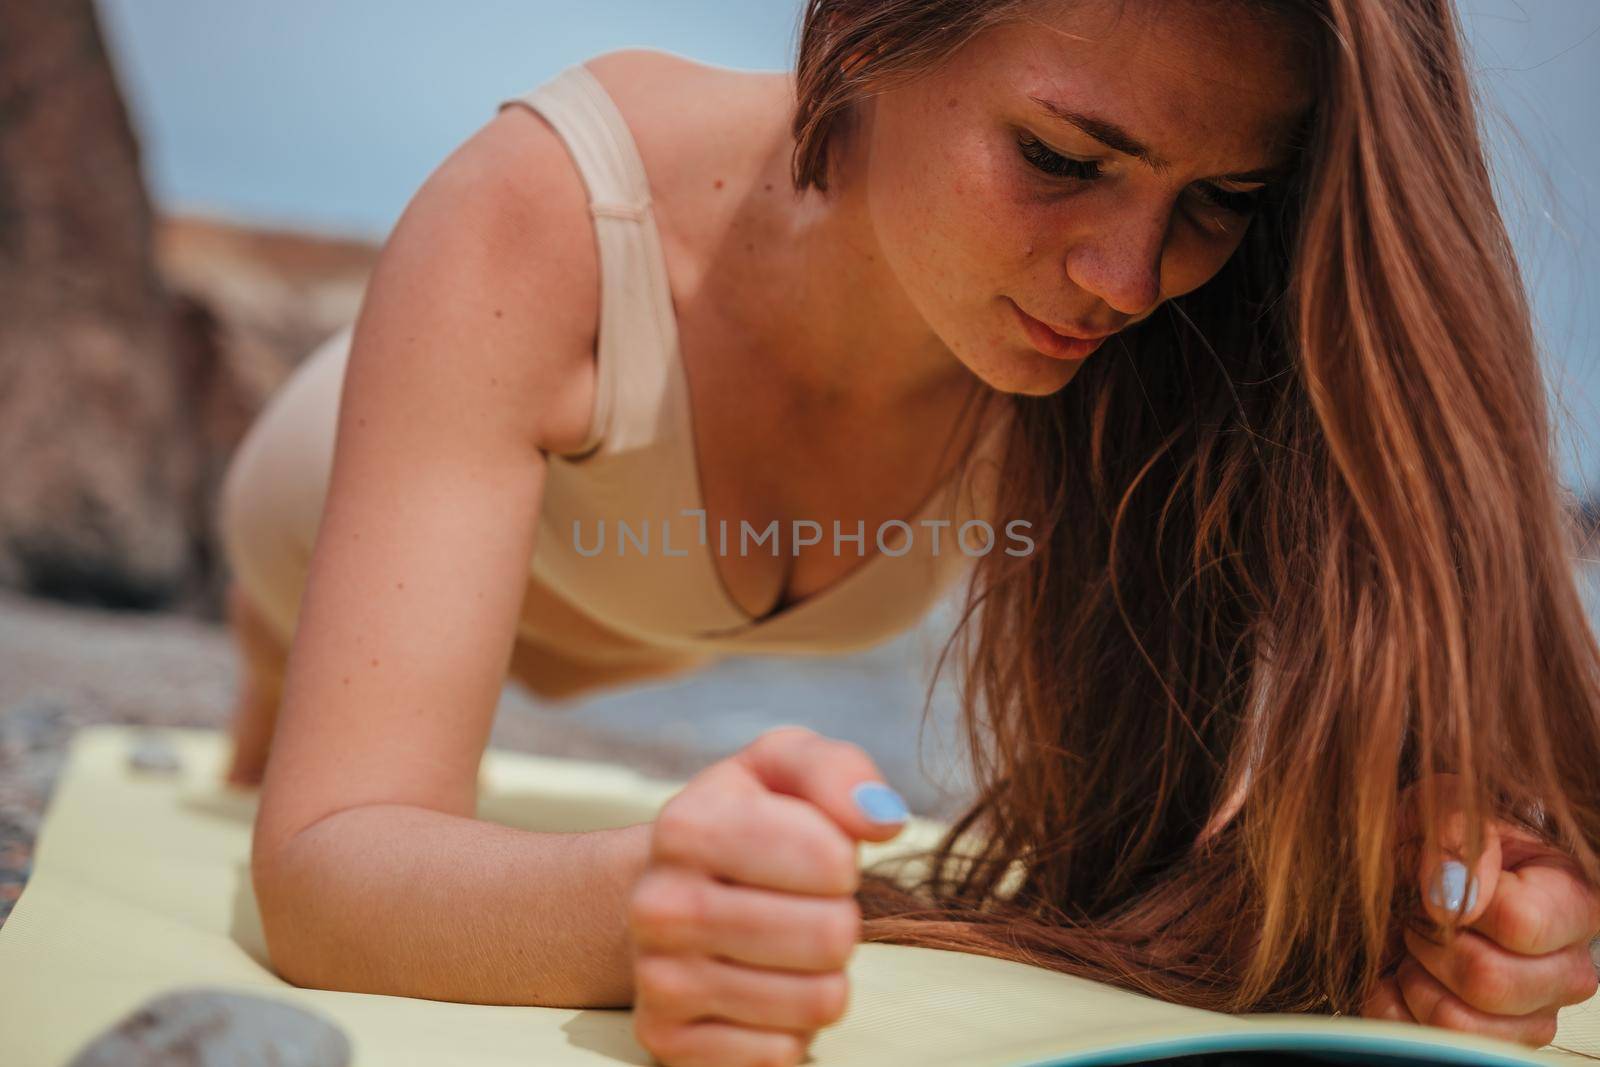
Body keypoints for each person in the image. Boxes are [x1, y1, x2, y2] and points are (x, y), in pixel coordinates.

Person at [216, 1, 1600, 1065]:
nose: (1128, 277)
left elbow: (1238, 774)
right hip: (314, 483)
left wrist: (1423, 902)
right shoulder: (544, 221)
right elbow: (324, 873)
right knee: (281, 725)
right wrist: (640, 900)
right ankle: (267, 682)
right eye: (1061, 157)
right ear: (870, 31)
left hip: (639, 618)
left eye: (1220, 201)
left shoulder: (1129, 347)